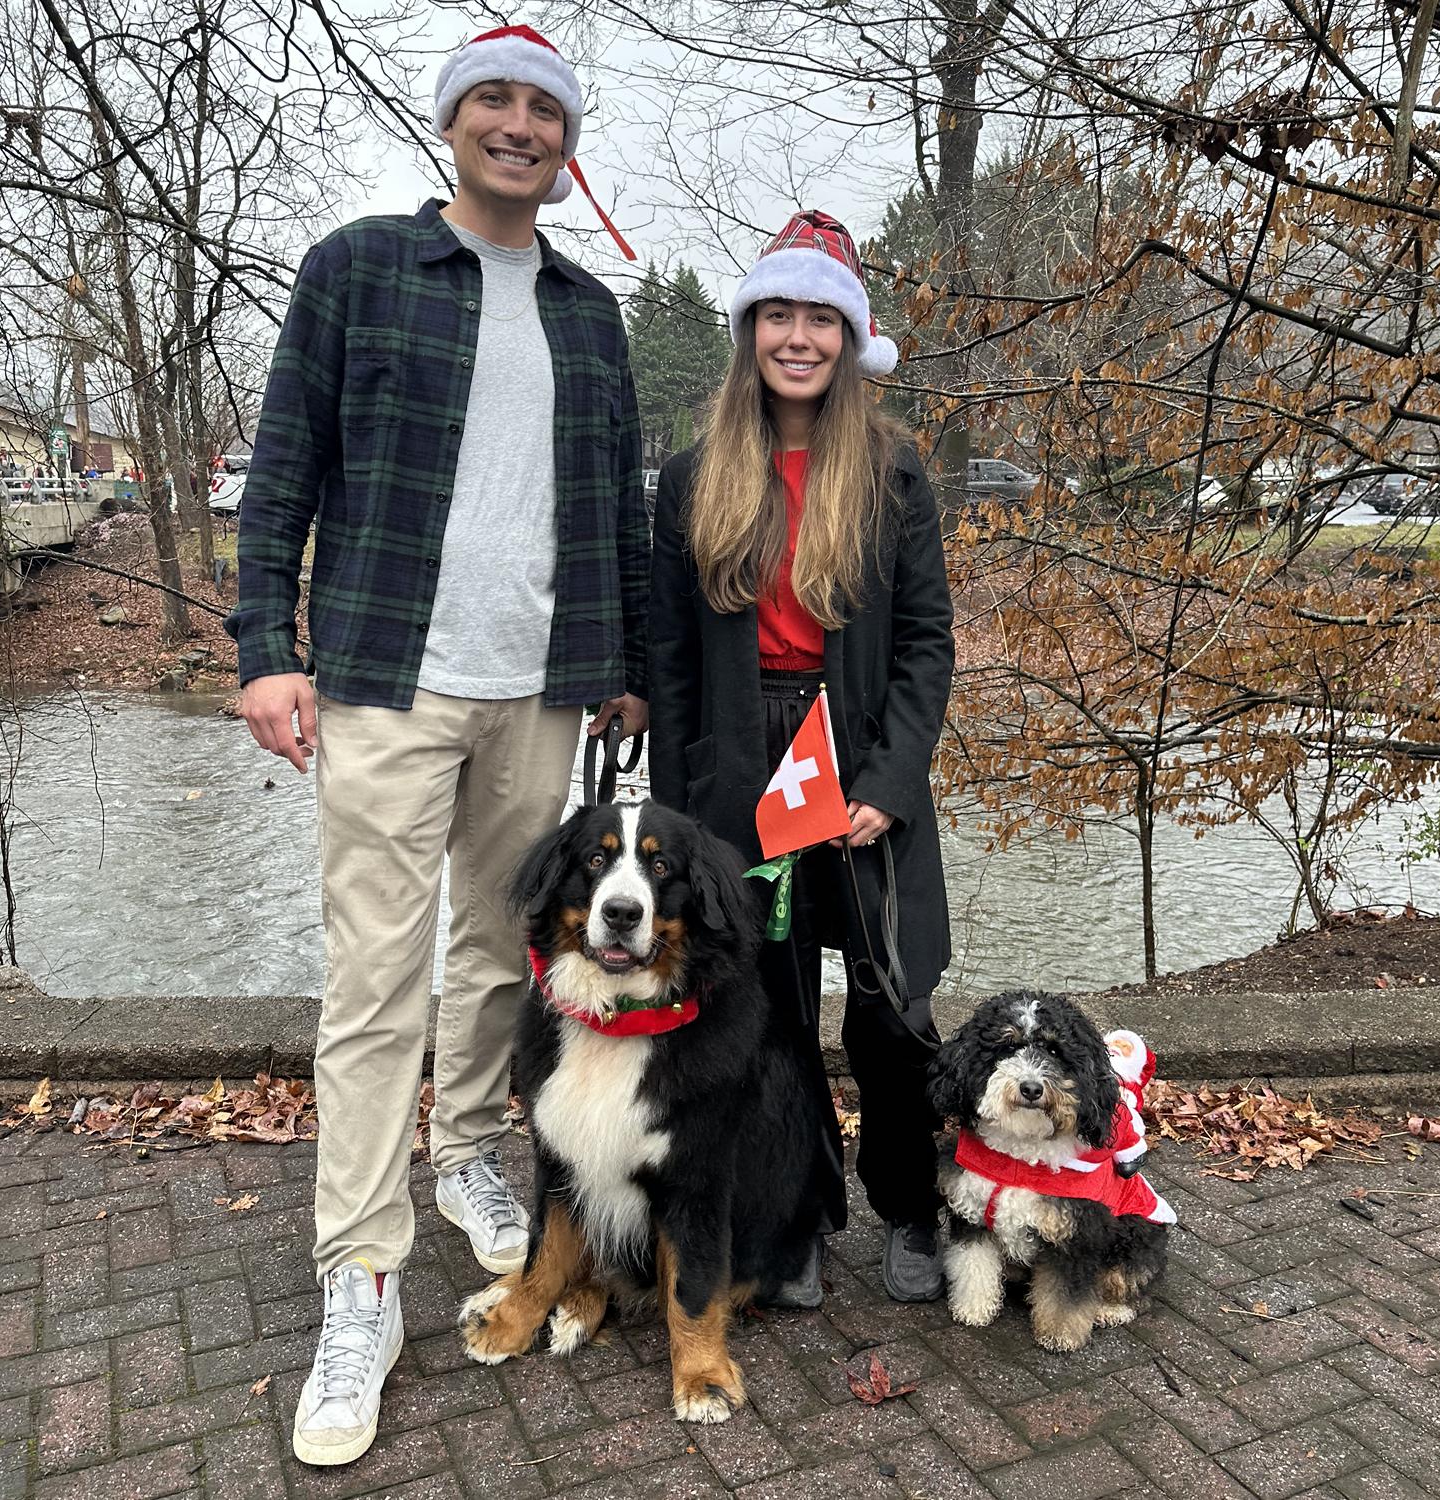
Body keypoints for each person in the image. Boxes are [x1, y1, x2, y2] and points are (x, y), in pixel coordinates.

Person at [225, 24, 648, 1467]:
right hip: (388, 677)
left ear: (567, 138)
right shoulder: (357, 268)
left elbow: (617, 513)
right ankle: (360, 1272)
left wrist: (628, 669)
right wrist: (266, 652)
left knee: (497, 949)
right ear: (455, 122)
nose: (519, 126)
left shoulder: (593, 314)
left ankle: (468, 1147)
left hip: (541, 690)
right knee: (372, 980)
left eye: (544, 108)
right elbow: (283, 468)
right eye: (495, 103)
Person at [648, 210, 955, 1305]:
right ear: (750, 331)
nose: (797, 336)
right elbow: (671, 652)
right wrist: (683, 817)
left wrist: (889, 780)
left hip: (856, 754)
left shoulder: (893, 474)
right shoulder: (693, 477)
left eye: (819, 318)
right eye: (778, 313)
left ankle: (912, 1208)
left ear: (848, 338)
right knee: (763, 1013)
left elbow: (926, 643)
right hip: (739, 759)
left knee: (887, 1001)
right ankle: (793, 1220)